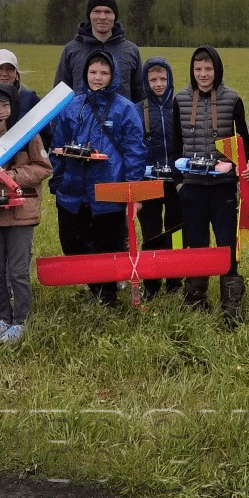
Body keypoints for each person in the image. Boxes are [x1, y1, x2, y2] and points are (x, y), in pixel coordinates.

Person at [49, 50, 147, 306]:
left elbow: (135, 152)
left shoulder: (125, 109)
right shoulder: (72, 106)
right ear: (85, 74)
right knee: (73, 244)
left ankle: (108, 297)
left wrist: (132, 191)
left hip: (108, 192)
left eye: (104, 72)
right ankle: (92, 288)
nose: (98, 77)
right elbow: (57, 146)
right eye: (93, 72)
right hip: (73, 192)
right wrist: (58, 181)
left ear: (113, 75)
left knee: (108, 246)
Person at [171, 45, 249, 326]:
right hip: (192, 185)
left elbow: (243, 141)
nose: (203, 74)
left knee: (227, 241)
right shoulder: (180, 99)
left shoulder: (233, 99)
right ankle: (195, 299)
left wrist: (240, 168)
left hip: (223, 187)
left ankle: (231, 304)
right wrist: (179, 183)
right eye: (198, 69)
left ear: (217, 70)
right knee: (196, 242)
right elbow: (174, 143)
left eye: (208, 68)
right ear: (192, 71)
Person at [0, 84, 53, 343]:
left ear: (13, 105)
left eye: (5, 105)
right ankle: (2, 316)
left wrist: (13, 175)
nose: (1, 111)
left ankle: (20, 320)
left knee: (17, 271)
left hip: (20, 211)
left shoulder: (27, 134)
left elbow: (44, 167)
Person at [138, 56, 183, 300]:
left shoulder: (178, 107)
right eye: (153, 79)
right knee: (151, 232)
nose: (158, 84)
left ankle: (175, 281)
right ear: (146, 81)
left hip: (175, 181)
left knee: (175, 230)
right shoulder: (139, 109)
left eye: (163, 78)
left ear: (170, 79)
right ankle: (151, 283)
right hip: (149, 182)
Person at [53, 0, 144, 102]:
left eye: (108, 12)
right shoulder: (71, 50)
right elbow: (59, 95)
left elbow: (140, 96)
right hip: (80, 113)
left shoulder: (131, 50)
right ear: (89, 15)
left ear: (114, 16)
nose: (102, 17)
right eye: (97, 12)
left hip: (122, 113)